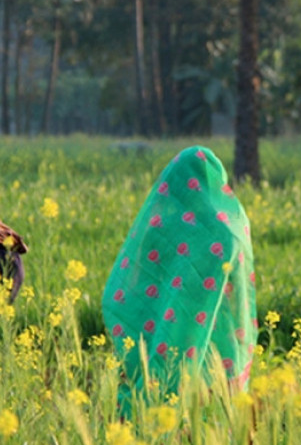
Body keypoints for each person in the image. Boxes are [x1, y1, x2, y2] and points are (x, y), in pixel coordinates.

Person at [102, 146, 258, 412]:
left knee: (155, 396)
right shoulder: (230, 229)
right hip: (216, 336)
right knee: (208, 411)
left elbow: (132, 284)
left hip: (162, 331)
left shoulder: (160, 225)